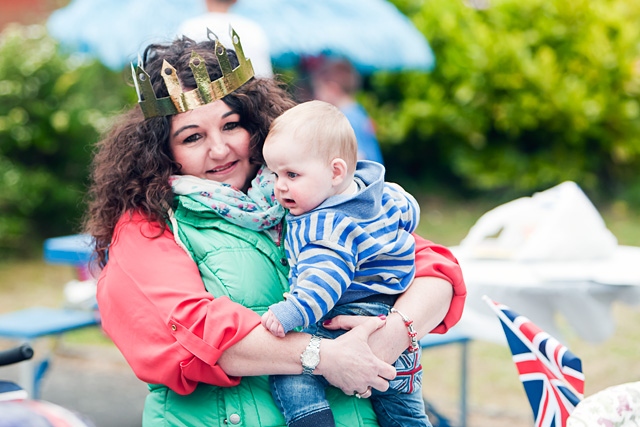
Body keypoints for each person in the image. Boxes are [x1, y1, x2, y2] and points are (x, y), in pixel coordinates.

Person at [84, 29, 466, 427]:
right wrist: (324, 356)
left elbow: (433, 270)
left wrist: (391, 336)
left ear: (255, 124)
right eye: (193, 136)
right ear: (165, 151)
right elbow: (190, 331)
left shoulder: (303, 188)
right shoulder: (149, 224)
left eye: (231, 125)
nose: (220, 149)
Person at [260, 100, 429, 427]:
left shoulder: (324, 229)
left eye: (292, 174)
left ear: (336, 171)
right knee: (406, 415)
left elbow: (324, 281)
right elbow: (411, 212)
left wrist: (289, 313)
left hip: (347, 319)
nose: (280, 186)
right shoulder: (384, 194)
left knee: (290, 377)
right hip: (394, 327)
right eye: (275, 174)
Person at [310, 57, 384, 164]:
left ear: (332, 89)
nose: (316, 96)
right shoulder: (358, 111)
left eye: (319, 89)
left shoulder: (344, 118)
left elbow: (358, 157)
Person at [177, 0, 274, 78]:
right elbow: (265, 77)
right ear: (235, 1)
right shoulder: (253, 30)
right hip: (248, 99)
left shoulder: (190, 28)